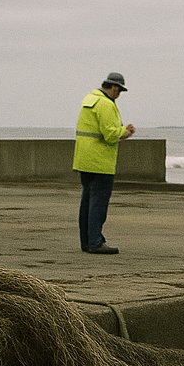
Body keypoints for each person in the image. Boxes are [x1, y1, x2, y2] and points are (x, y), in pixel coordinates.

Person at [72, 71, 136, 254]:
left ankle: (86, 242)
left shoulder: (89, 99)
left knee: (87, 202)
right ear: (114, 88)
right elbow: (110, 134)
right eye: (120, 91)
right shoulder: (106, 104)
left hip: (84, 159)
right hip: (101, 162)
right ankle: (96, 242)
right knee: (98, 204)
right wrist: (125, 132)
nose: (119, 94)